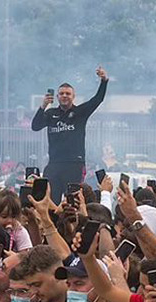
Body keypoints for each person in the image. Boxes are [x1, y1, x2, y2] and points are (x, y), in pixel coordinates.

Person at [31, 66, 109, 203]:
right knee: (49, 200)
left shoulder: (80, 113)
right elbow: (35, 126)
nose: (65, 96)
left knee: (73, 201)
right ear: (57, 97)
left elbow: (97, 99)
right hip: (54, 163)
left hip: (74, 164)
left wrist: (104, 81)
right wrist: (43, 106)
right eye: (61, 93)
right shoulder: (51, 114)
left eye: (68, 93)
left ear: (73, 96)